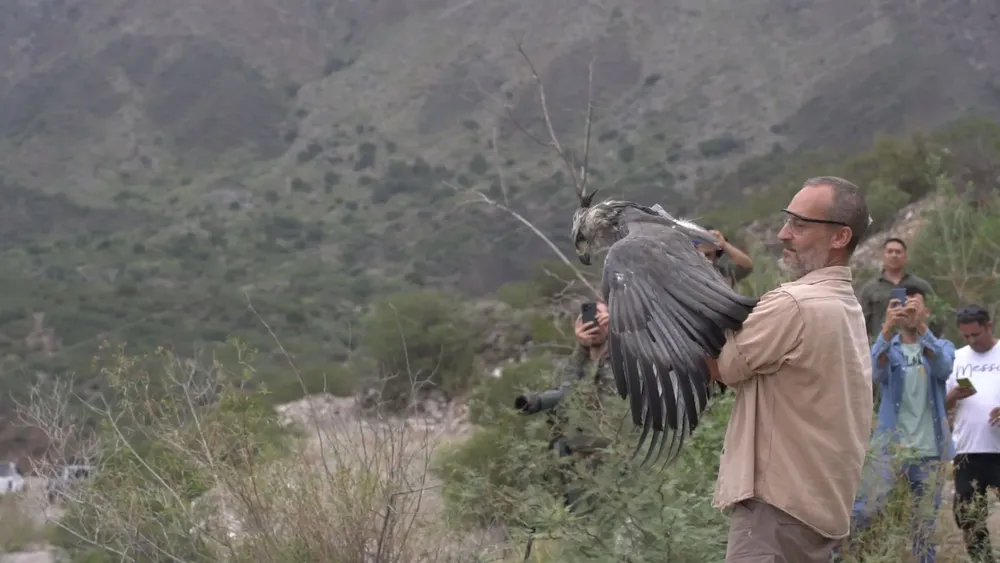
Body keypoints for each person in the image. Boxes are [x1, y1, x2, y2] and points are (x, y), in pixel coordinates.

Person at [709, 176, 874, 563]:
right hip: (817, 509)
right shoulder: (845, 305)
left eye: (800, 225)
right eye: (787, 221)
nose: (784, 234)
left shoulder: (794, 303)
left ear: (839, 237)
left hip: (775, 512)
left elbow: (720, 369)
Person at [846, 286, 955, 563]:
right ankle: (853, 555)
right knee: (865, 510)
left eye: (914, 305)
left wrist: (920, 328)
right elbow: (873, 373)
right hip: (890, 449)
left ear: (926, 311)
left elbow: (943, 369)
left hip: (929, 451)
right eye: (902, 305)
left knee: (924, 524)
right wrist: (885, 330)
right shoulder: (887, 347)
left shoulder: (941, 346)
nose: (907, 310)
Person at [945, 305, 1000, 563]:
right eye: (966, 336)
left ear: (989, 326)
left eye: (976, 335)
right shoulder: (956, 358)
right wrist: (953, 396)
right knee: (968, 516)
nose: (971, 341)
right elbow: (939, 405)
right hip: (967, 451)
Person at [858, 237, 934, 342]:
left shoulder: (921, 285)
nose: (894, 255)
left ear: (905, 257)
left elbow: (936, 316)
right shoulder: (869, 289)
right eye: (890, 252)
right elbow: (861, 325)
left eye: (898, 252)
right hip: (883, 349)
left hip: (917, 346)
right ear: (883, 256)